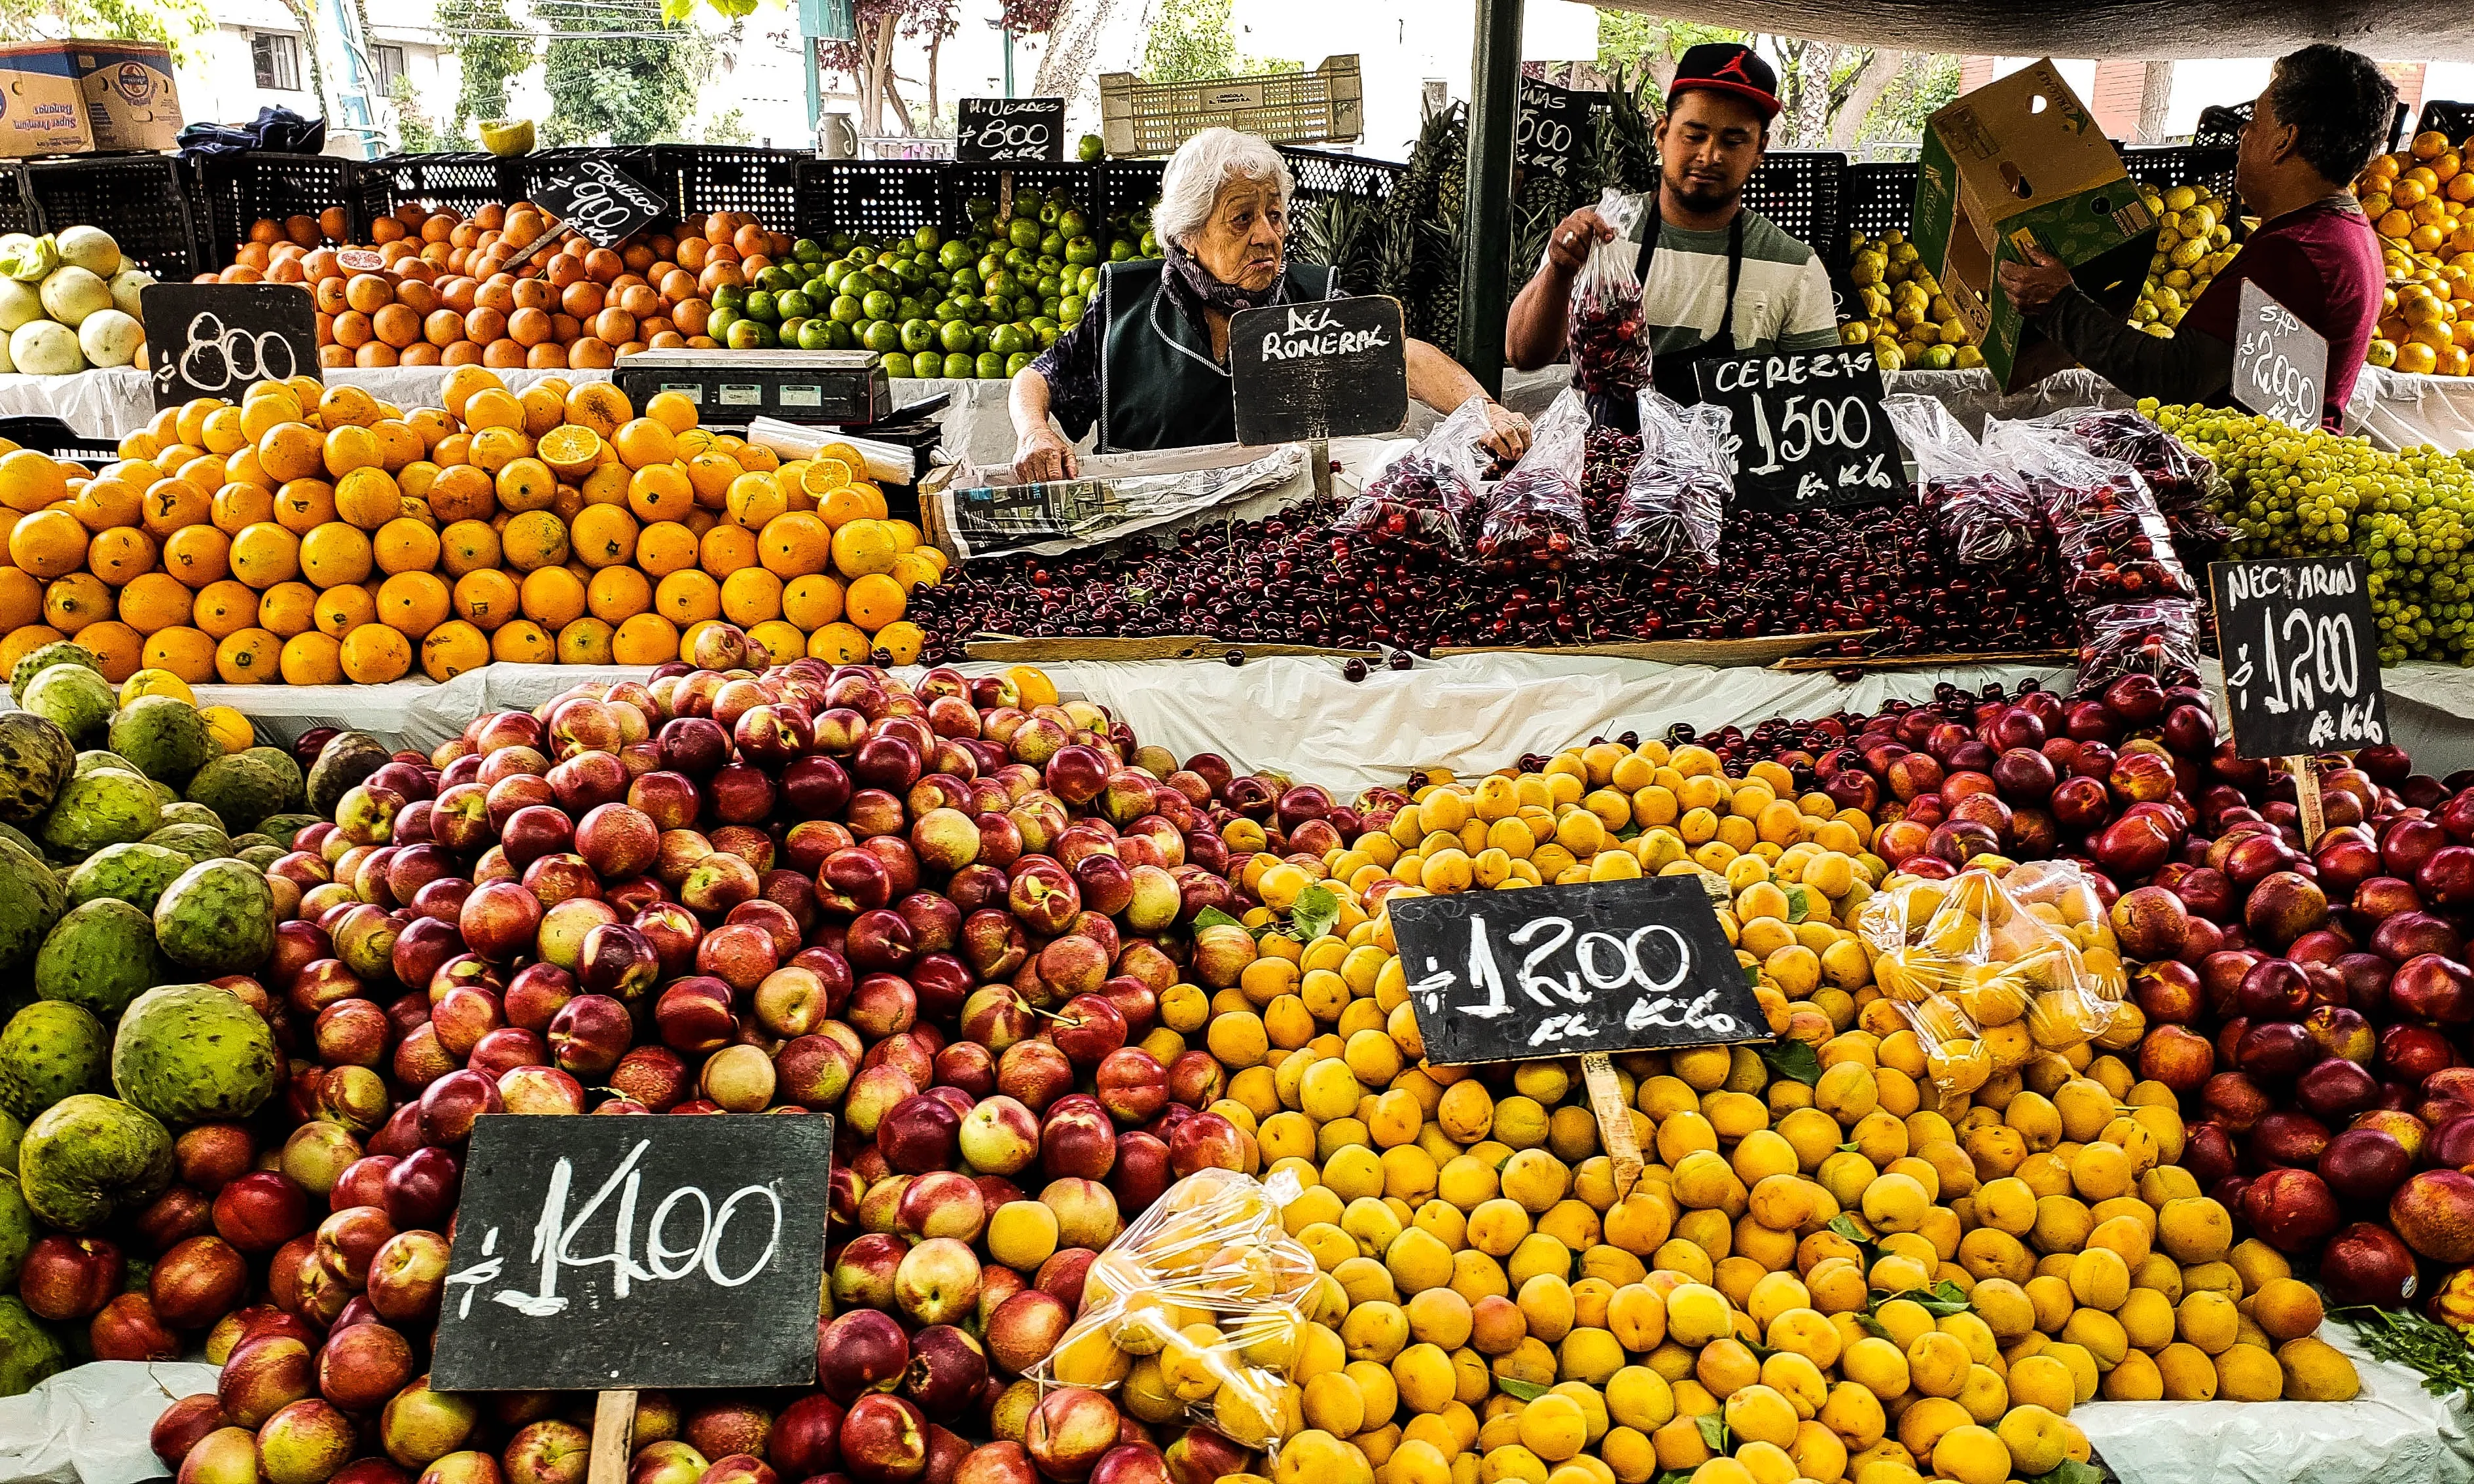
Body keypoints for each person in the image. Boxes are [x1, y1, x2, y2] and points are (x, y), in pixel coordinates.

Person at [1009, 128, 1530, 480]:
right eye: (1243, 219)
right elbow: (1038, 378)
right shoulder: (1126, 306)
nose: (1267, 236)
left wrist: (1483, 409)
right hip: (1147, 548)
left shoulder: (1312, 299)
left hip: (1279, 556)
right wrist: (1036, 434)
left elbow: (1403, 357)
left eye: (1276, 215)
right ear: (1189, 232)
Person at [1998, 44, 2393, 431]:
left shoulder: (2296, 254)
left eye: (2255, 120)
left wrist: (2060, 306)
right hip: (2266, 460)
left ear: (2283, 141)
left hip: (2252, 481)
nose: (2243, 132)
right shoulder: (2341, 234)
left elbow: (2178, 377)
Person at [1505, 42, 1840, 421]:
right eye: (1694, 135)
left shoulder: (1796, 267)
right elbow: (1522, 354)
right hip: (1609, 472)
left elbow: (1822, 406)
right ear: (1662, 133)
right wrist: (1559, 271)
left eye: (1734, 141)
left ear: (1760, 149)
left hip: (1729, 478)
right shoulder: (1599, 235)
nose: (1710, 155)